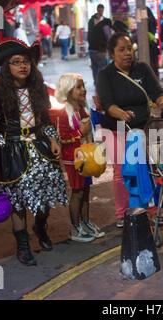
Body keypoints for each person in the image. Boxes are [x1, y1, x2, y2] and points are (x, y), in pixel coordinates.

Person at [0, 38, 68, 266]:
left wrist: (53, 139)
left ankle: (40, 226)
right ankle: (23, 245)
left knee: (44, 198)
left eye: (25, 62)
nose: (22, 66)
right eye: (16, 62)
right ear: (7, 67)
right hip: (13, 152)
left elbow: (46, 119)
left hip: (40, 148)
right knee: (17, 202)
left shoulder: (38, 88)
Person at [96, 33, 163, 228]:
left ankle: (152, 210)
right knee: (123, 173)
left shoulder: (142, 69)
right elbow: (107, 103)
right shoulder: (106, 74)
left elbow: (157, 92)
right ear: (112, 53)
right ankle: (123, 214)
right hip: (117, 129)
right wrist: (120, 113)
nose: (127, 53)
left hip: (144, 128)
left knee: (150, 169)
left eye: (129, 48)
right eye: (121, 50)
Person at [55, 73, 105, 242]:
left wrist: (98, 110)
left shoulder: (82, 109)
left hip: (88, 158)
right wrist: (79, 134)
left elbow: (94, 125)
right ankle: (75, 228)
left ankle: (85, 222)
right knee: (77, 193)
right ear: (68, 90)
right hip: (74, 160)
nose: (83, 90)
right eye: (78, 87)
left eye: (83, 86)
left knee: (86, 192)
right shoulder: (63, 113)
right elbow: (62, 137)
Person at [87, 4, 112, 86]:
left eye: (102, 10)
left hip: (93, 48)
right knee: (101, 67)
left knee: (96, 67)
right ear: (97, 10)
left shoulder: (92, 20)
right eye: (100, 10)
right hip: (99, 49)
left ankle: (97, 82)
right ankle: (99, 83)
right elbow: (108, 35)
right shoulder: (104, 22)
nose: (101, 12)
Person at [147, 7, 160, 78]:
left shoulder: (147, 21)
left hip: (150, 44)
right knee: (155, 62)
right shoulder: (153, 20)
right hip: (153, 43)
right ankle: (156, 76)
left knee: (151, 61)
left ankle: (153, 77)